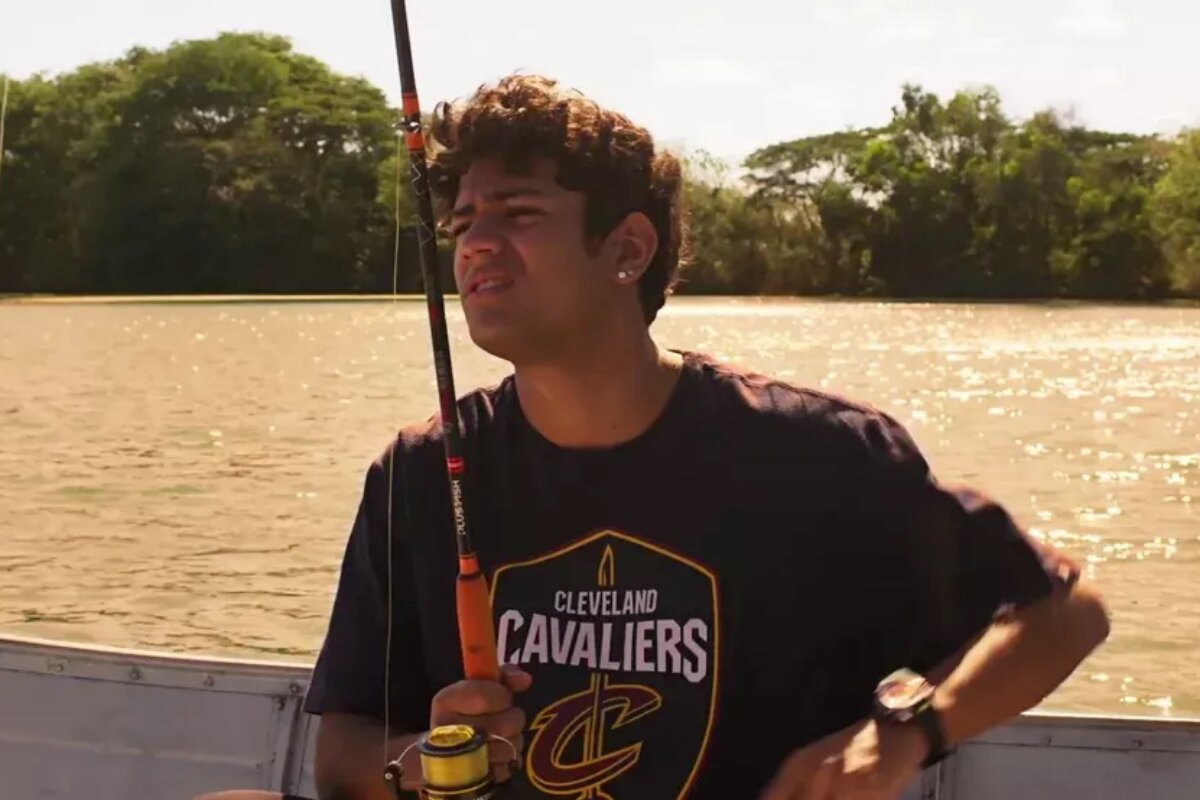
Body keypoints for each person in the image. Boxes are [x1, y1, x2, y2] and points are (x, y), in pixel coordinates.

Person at [300, 73, 1110, 800]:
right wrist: (424, 764)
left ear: (626, 250)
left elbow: (1067, 612)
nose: (476, 243)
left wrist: (897, 735)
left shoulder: (817, 453)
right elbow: (341, 753)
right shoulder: (418, 472)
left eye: (518, 214)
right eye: (464, 222)